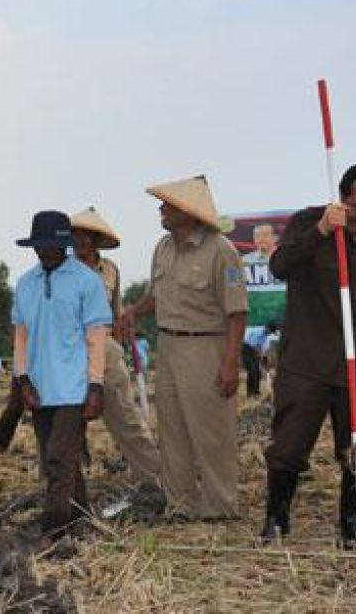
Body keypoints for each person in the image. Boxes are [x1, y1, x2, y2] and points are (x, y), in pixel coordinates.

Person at [259, 161, 356, 550]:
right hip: (308, 359)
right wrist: (324, 230)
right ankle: (276, 519)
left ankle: (353, 524)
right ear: (342, 197)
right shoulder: (308, 222)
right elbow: (280, 265)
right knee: (289, 445)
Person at [122, 176, 247, 521]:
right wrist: (133, 310)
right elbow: (156, 295)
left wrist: (231, 363)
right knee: (173, 429)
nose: (161, 209)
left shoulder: (222, 251)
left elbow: (237, 311)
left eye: (168, 205)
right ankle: (180, 505)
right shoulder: (163, 247)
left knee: (211, 430)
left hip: (206, 346)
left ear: (189, 212)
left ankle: (219, 507)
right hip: (168, 346)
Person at [11, 210, 112, 548]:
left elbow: (97, 336)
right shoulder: (25, 284)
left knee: (57, 458)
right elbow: (21, 338)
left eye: (53, 246)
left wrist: (96, 385)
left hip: (75, 386)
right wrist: (23, 381)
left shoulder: (87, 281)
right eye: (40, 246)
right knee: (59, 458)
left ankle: (54, 529)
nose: (46, 252)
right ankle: (82, 514)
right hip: (40, 387)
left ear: (66, 245)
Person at [71, 206, 163, 489]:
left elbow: (116, 309)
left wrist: (123, 330)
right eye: (77, 235)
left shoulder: (109, 269)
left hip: (106, 348)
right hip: (67, 348)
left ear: (98, 240)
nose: (83, 240)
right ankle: (61, 486)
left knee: (126, 416)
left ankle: (156, 479)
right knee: (63, 423)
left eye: (89, 235)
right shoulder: (59, 268)